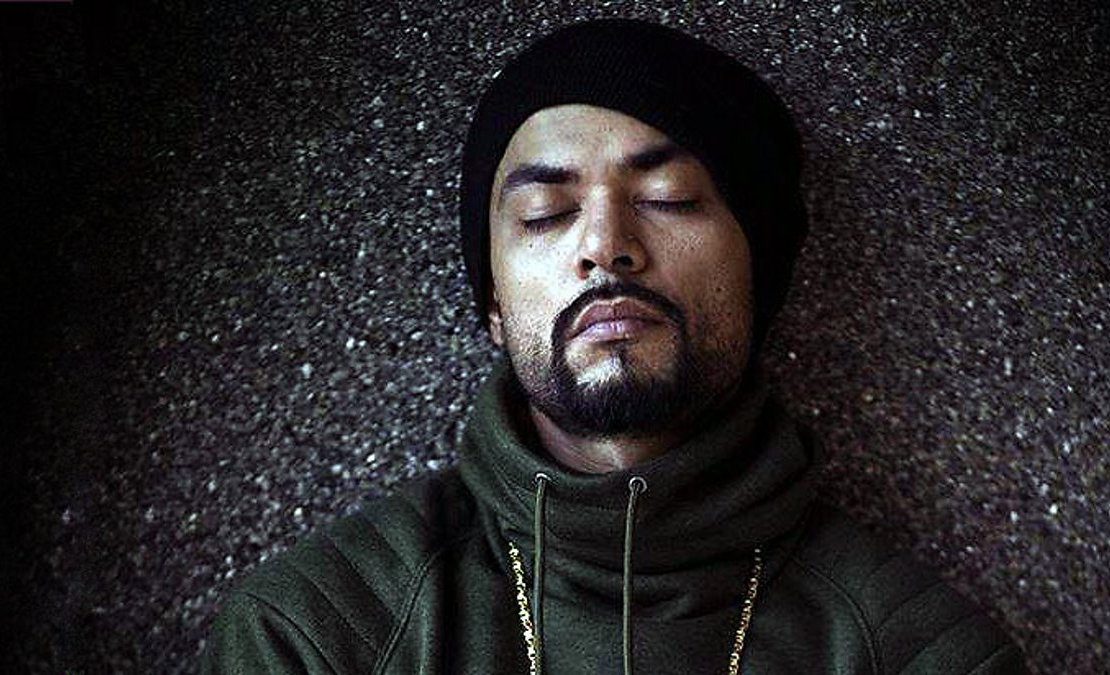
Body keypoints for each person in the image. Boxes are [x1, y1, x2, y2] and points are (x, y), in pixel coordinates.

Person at [204, 19, 1026, 674]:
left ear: (761, 272)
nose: (605, 245)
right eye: (545, 213)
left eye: (669, 197)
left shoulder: (923, 655)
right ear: (493, 303)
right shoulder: (316, 636)